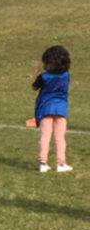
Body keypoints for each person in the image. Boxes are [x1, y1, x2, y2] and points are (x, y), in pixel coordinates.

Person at [32, 45, 72, 173]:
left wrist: (36, 72)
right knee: (60, 137)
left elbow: (34, 87)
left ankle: (43, 163)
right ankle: (61, 164)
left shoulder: (44, 77)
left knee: (45, 136)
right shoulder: (66, 75)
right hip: (61, 108)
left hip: (45, 108)